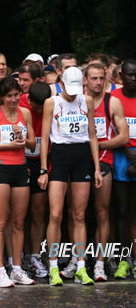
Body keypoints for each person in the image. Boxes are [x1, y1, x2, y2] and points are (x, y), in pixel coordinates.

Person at [38, 67, 103, 286]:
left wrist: (96, 167)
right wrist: (43, 169)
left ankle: (81, 267)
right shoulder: (52, 102)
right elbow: (45, 137)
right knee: (55, 214)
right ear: (62, 84)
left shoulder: (87, 101)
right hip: (60, 156)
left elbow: (92, 134)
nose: (74, 93)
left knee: (79, 215)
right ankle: (54, 266)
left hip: (82, 156)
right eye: (69, 88)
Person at [0, 77, 36, 288]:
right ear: (1, 97)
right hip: (0, 168)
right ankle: (0, 270)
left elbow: (31, 144)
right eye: (9, 96)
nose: (13, 99)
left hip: (21, 168)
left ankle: (17, 268)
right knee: (0, 222)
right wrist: (3, 146)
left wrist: (22, 136)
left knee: (18, 222)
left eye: (16, 95)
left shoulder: (25, 113)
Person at [85, 63, 128, 281]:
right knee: (78, 215)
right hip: (80, 163)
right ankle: (79, 261)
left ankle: (101, 262)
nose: (98, 83)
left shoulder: (113, 102)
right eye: (94, 78)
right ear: (86, 80)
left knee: (103, 212)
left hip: (104, 161)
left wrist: (99, 145)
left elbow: (124, 137)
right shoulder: (78, 101)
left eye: (102, 78)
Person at [18, 82, 51, 279]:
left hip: (42, 162)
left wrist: (46, 169)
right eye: (36, 107)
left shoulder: (52, 105)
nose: (40, 110)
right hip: (20, 161)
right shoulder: (19, 103)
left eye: (43, 106)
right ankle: (18, 256)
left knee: (38, 211)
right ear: (28, 100)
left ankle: (35, 256)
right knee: (19, 214)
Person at [110, 59, 136, 279]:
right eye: (129, 74)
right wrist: (129, 154)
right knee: (122, 211)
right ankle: (123, 259)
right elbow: (112, 130)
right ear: (121, 75)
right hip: (120, 157)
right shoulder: (114, 98)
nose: (133, 78)